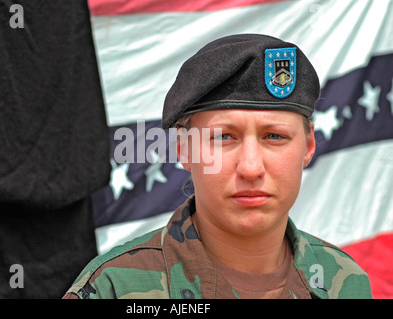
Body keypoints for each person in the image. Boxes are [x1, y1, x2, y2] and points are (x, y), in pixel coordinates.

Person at [63, 34, 372, 299]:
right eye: (224, 137)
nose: (251, 168)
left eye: (274, 136)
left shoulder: (343, 281)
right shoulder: (116, 287)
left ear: (308, 147)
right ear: (184, 151)